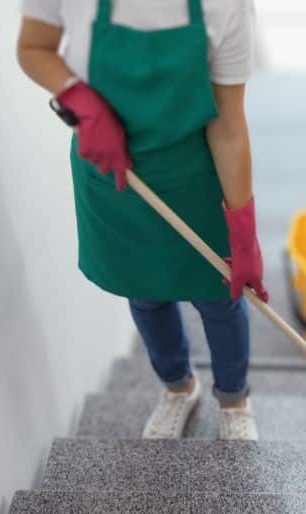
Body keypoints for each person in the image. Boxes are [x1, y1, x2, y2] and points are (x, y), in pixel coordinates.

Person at [16, 0, 267, 440]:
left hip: (193, 174)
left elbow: (228, 124)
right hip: (115, 175)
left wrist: (243, 234)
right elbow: (35, 46)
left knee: (218, 297)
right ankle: (178, 387)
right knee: (144, 291)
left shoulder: (226, 6)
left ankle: (234, 398)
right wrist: (79, 99)